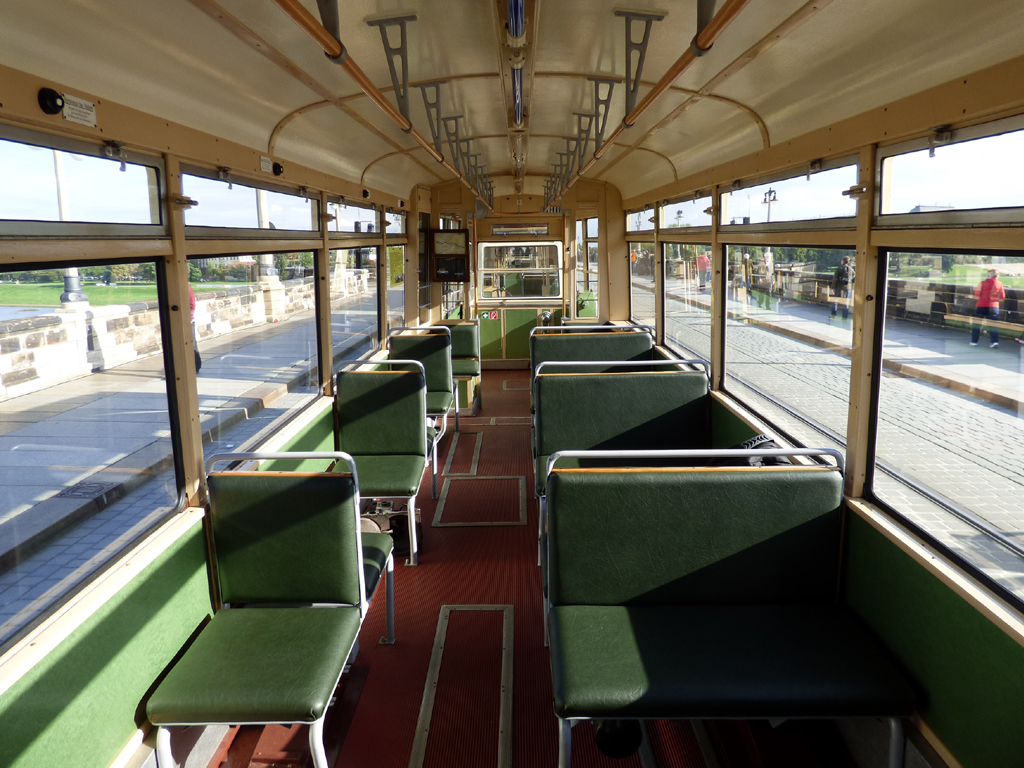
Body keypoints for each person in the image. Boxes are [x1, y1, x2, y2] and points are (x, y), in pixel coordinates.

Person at [970, 268, 1005, 348]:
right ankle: (995, 341)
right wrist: (995, 301)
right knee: (993, 325)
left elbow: (976, 295)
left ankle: (974, 341)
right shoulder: (1000, 284)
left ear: (988, 274)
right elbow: (1002, 296)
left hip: (981, 305)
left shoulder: (982, 283)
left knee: (977, 324)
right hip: (993, 306)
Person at [830, 255, 854, 320]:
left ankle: (833, 315)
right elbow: (854, 279)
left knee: (835, 301)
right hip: (847, 288)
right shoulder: (851, 270)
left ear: (842, 261)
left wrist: (833, 287)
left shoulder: (839, 268)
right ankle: (844, 317)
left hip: (839, 287)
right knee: (846, 302)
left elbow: (835, 279)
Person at [189, 284, 202, 372]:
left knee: (192, 343)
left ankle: (196, 366)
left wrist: (188, 317)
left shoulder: (185, 287)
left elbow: (192, 305)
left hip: (187, 321)